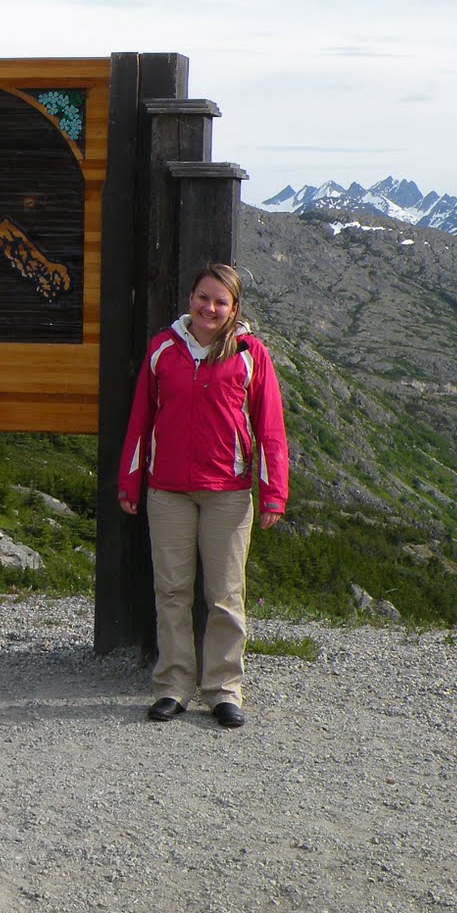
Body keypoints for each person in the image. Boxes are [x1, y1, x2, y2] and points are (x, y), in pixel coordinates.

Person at [117, 262, 289, 729]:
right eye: (203, 298)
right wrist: (130, 481)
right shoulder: (163, 350)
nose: (210, 308)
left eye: (220, 302)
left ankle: (223, 689)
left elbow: (270, 429)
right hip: (168, 490)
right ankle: (173, 686)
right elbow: (140, 422)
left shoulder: (251, 354)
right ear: (190, 299)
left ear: (234, 309)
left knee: (225, 595)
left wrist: (274, 493)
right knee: (171, 590)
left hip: (228, 493)